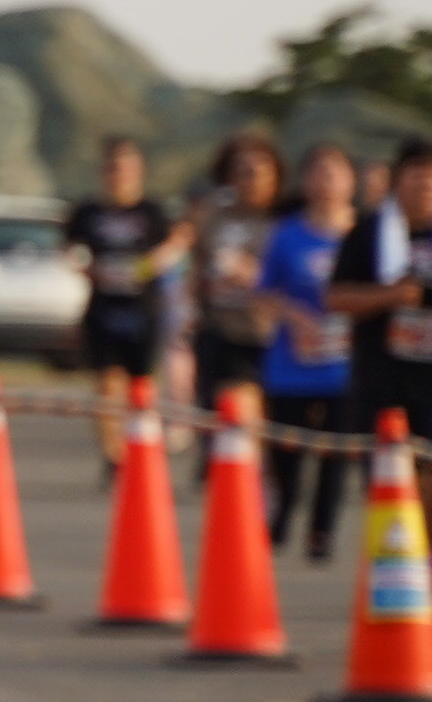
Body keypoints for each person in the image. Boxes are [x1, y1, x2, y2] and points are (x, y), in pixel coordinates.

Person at [328, 137, 432, 607]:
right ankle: (395, 578)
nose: (427, 186)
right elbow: (336, 297)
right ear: (396, 181)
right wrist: (390, 297)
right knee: (390, 478)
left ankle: (425, 551)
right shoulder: (367, 233)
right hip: (384, 373)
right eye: (417, 176)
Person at [257, 142, 361, 562]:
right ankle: (283, 508)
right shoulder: (287, 234)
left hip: (346, 365)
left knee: (337, 451)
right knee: (286, 447)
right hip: (293, 362)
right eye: (318, 173)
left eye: (335, 173)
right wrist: (294, 316)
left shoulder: (366, 234)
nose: (326, 182)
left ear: (351, 181)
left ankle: (322, 531)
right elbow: (264, 292)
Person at [65, 137, 174, 476]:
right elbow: (70, 250)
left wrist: (144, 267)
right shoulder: (88, 213)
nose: (120, 175)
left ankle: (141, 451)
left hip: (143, 309)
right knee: (108, 385)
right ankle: (114, 456)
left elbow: (171, 249)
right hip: (103, 308)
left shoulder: (151, 212)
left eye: (127, 168)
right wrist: (88, 268)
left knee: (142, 388)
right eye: (113, 168)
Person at [186, 130, 285, 415]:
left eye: (258, 173)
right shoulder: (214, 218)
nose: (251, 180)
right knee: (223, 416)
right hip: (220, 332)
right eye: (242, 172)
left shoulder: (285, 221)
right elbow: (197, 267)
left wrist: (256, 274)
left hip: (269, 336)